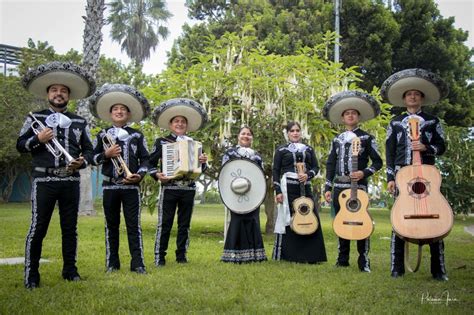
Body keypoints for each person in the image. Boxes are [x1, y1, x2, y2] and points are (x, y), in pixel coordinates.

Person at [17, 61, 96, 289]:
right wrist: (37, 140)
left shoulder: (80, 121)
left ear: (68, 95)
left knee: (70, 229)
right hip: (44, 180)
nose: (58, 94)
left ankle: (70, 271)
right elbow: (20, 145)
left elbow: (90, 150)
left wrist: (82, 161)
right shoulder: (35, 119)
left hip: (70, 181)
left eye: (63, 91)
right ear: (48, 94)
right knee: (38, 227)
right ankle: (32, 275)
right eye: (54, 90)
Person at [381, 68, 449, 281]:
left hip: (427, 177)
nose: (412, 96)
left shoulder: (432, 121)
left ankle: (438, 270)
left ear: (422, 98)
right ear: (404, 98)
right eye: (409, 94)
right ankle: (396, 267)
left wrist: (426, 147)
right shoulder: (394, 122)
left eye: (416, 94)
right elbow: (390, 151)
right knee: (399, 219)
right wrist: (390, 177)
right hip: (402, 175)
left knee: (437, 220)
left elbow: (442, 146)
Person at [89, 84, 150, 274]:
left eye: (123, 109)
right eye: (115, 109)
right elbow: (92, 157)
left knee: (134, 226)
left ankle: (138, 263)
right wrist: (106, 154)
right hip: (109, 186)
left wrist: (138, 175)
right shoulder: (102, 134)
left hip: (131, 187)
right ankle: (112, 263)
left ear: (129, 115)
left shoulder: (137, 135)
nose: (119, 111)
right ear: (110, 114)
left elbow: (146, 159)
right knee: (111, 226)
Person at [322, 90, 383, 272]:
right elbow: (330, 163)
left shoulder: (367, 138)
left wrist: (364, 172)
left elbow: (378, 162)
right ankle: (342, 259)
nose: (350, 115)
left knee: (361, 220)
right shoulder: (337, 139)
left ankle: (363, 260)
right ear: (342, 118)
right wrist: (327, 186)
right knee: (342, 221)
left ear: (358, 117)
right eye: (347, 113)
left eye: (353, 113)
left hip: (358, 186)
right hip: (339, 186)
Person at [149, 98, 208, 266]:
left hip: (188, 188)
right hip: (169, 188)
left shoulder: (195, 144)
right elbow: (149, 163)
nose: (180, 124)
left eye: (183, 122)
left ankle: (181, 256)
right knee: (165, 223)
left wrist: (203, 161)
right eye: (176, 121)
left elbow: (201, 169)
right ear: (170, 125)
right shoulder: (162, 142)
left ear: (187, 126)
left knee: (184, 224)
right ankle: (159, 256)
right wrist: (156, 174)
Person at [272, 121, 327, 263]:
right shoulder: (281, 150)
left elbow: (316, 167)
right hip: (287, 188)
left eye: (297, 130)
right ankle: (289, 255)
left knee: (309, 215)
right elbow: (276, 171)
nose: (295, 133)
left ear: (301, 132)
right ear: (287, 133)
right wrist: (278, 191)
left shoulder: (308, 149)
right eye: (292, 131)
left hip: (305, 187)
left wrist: (308, 175)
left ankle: (312, 256)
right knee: (289, 218)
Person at [220, 126, 267, 263]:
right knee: (237, 221)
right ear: (238, 136)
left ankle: (255, 255)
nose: (246, 136)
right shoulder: (230, 153)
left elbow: (261, 176)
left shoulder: (257, 156)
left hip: (253, 194)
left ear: (252, 138)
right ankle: (233, 255)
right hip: (235, 193)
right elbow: (225, 174)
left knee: (253, 220)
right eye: (243, 134)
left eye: (249, 134)